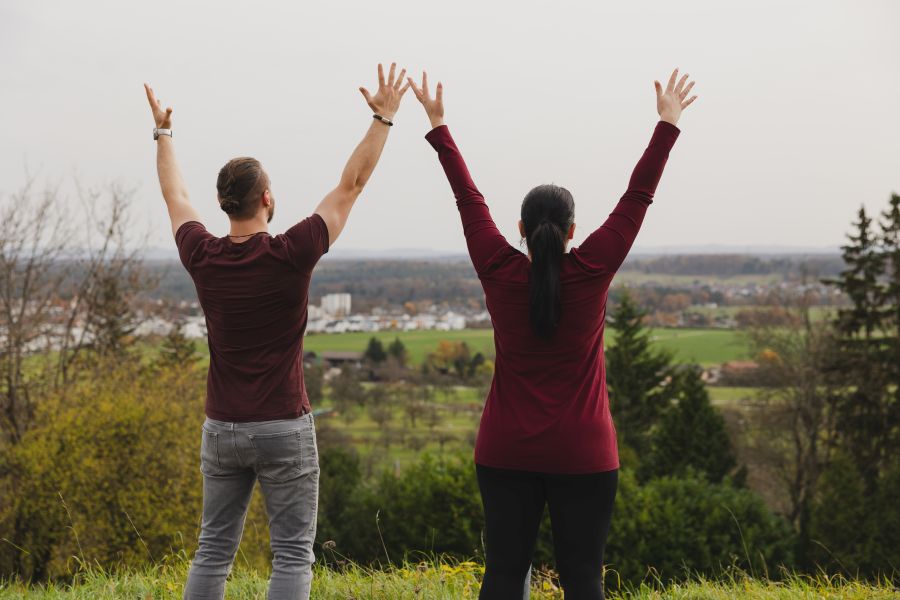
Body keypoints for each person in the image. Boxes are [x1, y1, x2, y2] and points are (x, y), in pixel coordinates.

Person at [409, 68, 697, 600]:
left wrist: (439, 127)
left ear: (519, 229)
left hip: (504, 448)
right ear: (572, 232)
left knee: (500, 576)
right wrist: (667, 124)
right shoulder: (592, 270)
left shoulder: (498, 267)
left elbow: (466, 198)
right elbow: (638, 197)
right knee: (584, 579)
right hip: (584, 453)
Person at [143, 63, 410, 600]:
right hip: (283, 426)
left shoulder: (202, 254)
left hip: (222, 428)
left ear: (226, 204)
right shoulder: (293, 253)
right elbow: (351, 185)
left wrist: (164, 133)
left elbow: (174, 198)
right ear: (266, 198)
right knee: (291, 553)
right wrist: (383, 117)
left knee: (212, 549)